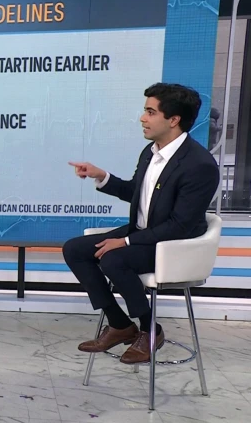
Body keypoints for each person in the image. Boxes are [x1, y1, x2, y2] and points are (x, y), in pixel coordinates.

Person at [64, 83, 220, 364]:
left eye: (150, 112)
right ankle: (120, 324)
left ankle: (151, 330)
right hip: (143, 233)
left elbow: (180, 226)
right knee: (74, 249)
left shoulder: (200, 165)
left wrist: (125, 242)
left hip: (172, 245)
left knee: (114, 260)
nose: (142, 118)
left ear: (173, 120)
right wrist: (101, 176)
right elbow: (137, 192)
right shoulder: (150, 152)